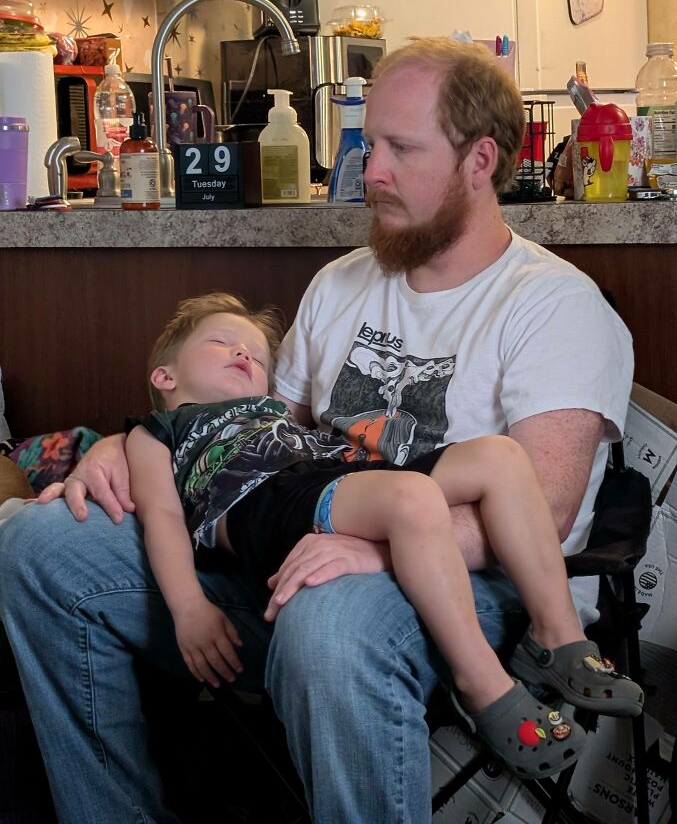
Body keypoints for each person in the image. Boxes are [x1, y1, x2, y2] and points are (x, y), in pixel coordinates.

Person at [0, 37, 634, 824]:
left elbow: (549, 506)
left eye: (400, 149)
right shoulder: (343, 282)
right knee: (38, 544)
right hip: (303, 535)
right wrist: (124, 458)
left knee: (327, 619)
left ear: (480, 161)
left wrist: (373, 546)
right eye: (369, 146)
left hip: (477, 585)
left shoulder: (553, 305)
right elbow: (264, 439)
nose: (369, 173)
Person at [126, 293, 641, 781]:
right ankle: (481, 684)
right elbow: (162, 517)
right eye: (220, 342)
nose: (243, 352)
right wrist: (188, 607)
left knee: (501, 458)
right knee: (411, 498)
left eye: (257, 357)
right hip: (263, 505)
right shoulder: (159, 431)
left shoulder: (275, 413)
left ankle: (557, 636)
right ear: (164, 376)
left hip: (329, 474)